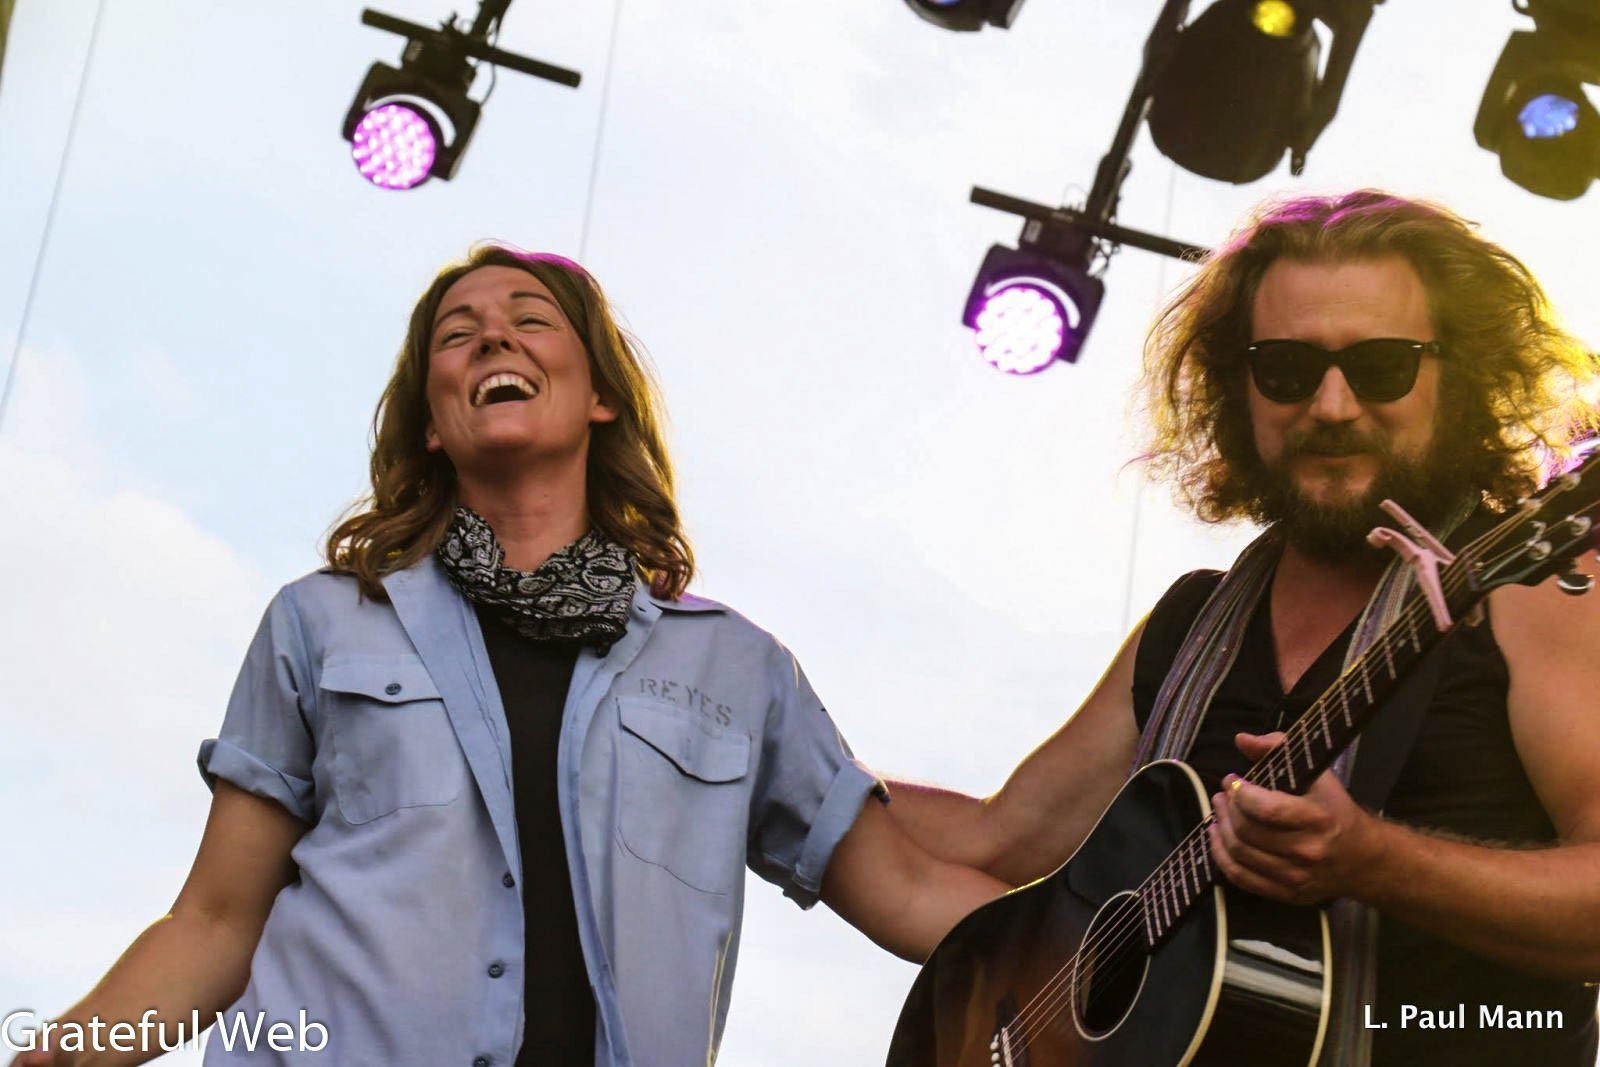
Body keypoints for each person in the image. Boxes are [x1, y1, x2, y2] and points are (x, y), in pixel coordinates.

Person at [12, 245, 1004, 1067]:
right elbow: (213, 926)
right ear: (435, 423)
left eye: (530, 318)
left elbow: (911, 890)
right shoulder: (322, 623)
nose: (491, 332)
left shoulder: (736, 670)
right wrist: (56, 1056)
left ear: (599, 398)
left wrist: (1140, 939)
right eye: (457, 331)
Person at [886, 191, 1600, 1065]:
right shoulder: (1190, 624)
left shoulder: (1537, 590)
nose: (1333, 405)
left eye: (1381, 365)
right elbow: (993, 842)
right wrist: (768, 735)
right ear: (1239, 387)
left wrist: (1377, 863)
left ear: (1461, 374)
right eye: (1287, 369)